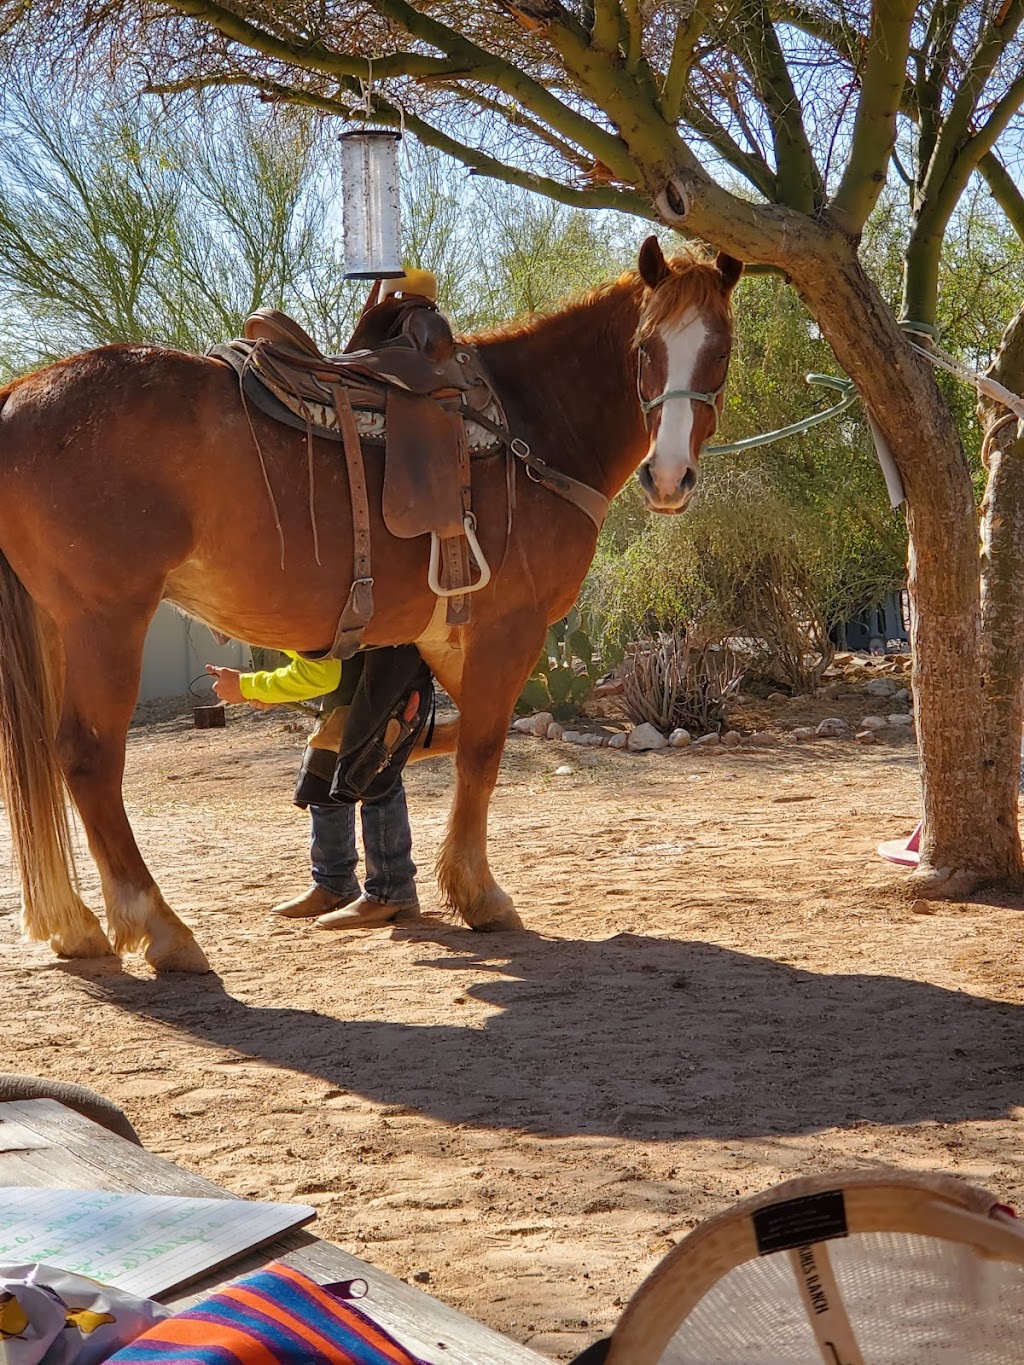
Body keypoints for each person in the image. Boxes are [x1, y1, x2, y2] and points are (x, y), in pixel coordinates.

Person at [205, 652, 421, 930]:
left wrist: (249, 685)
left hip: (380, 664)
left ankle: (392, 891)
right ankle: (334, 884)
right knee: (323, 769)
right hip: (357, 669)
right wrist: (269, 689)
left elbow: (321, 675)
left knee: (375, 773)